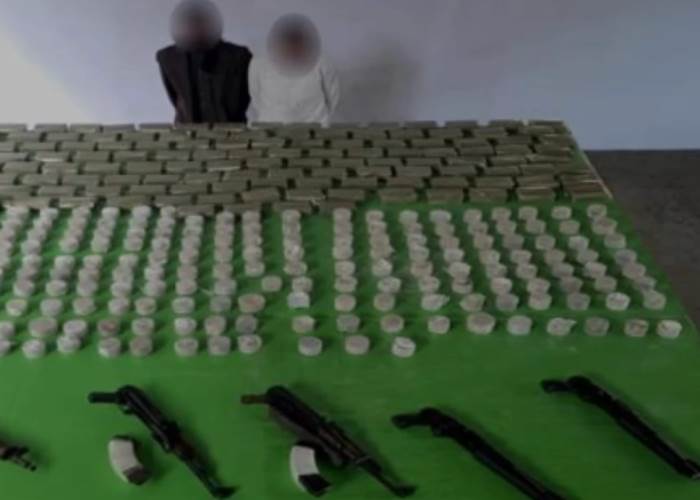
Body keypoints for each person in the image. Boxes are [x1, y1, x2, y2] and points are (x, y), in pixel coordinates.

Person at [156, 0, 252, 124]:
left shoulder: (238, 55)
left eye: (201, 22)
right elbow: (175, 95)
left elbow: (244, 97)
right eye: (190, 23)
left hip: (231, 129)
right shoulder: (167, 57)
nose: (195, 28)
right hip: (186, 130)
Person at [249, 14, 340, 125]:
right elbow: (256, 98)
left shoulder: (323, 63)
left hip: (315, 130)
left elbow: (332, 98)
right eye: (286, 41)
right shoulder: (259, 63)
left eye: (297, 41)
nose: (291, 46)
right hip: (269, 130)